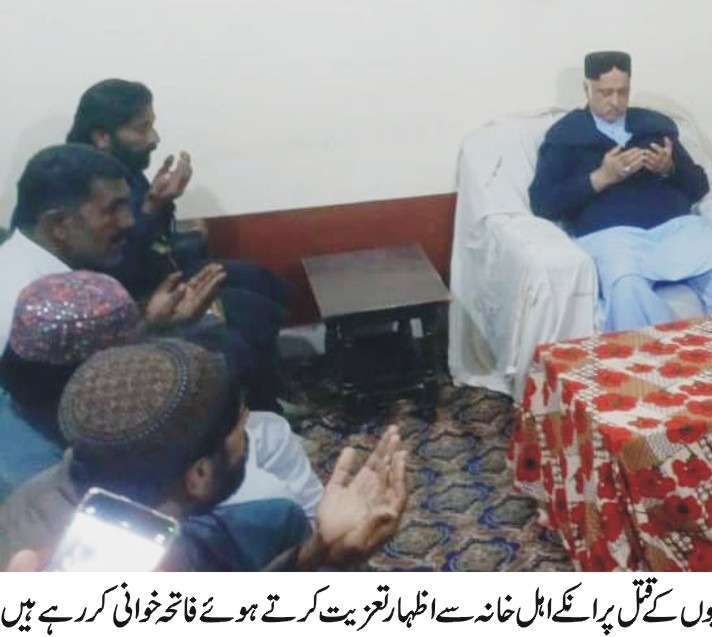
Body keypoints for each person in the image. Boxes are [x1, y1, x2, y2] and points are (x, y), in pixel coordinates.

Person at [0, 339, 408, 571]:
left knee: (280, 516)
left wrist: (318, 553)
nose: (247, 437)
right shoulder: (160, 570)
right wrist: (337, 565)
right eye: (239, 429)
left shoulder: (67, 497)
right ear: (199, 474)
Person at [0, 271, 323, 516]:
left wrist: (157, 327)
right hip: (162, 504)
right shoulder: (35, 475)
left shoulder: (53, 396)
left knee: (270, 429)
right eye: (132, 348)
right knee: (274, 502)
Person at [66, 80, 292, 413]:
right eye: (142, 129)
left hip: (159, 269)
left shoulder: (126, 170)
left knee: (262, 280)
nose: (154, 138)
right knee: (250, 311)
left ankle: (269, 390)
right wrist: (152, 210)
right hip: (135, 296)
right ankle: (260, 411)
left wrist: (163, 205)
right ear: (102, 136)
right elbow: (116, 266)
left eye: (152, 126)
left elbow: (153, 238)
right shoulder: (82, 185)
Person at [528, 51, 712, 332]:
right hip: (612, 235)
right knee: (626, 287)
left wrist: (669, 169)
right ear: (586, 89)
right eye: (605, 93)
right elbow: (543, 203)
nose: (616, 102)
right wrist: (601, 178)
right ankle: (665, 355)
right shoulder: (565, 136)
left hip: (676, 227)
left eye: (622, 92)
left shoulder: (653, 126)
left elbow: (698, 186)